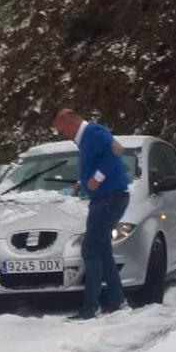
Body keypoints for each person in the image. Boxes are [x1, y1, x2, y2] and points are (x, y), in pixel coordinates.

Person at [52, 108, 131, 320]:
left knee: (90, 250)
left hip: (109, 199)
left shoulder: (93, 133)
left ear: (69, 123)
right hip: (104, 199)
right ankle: (116, 300)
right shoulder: (86, 139)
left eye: (61, 130)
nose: (63, 135)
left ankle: (91, 307)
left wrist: (97, 177)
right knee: (102, 250)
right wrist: (80, 185)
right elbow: (97, 160)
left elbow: (115, 150)